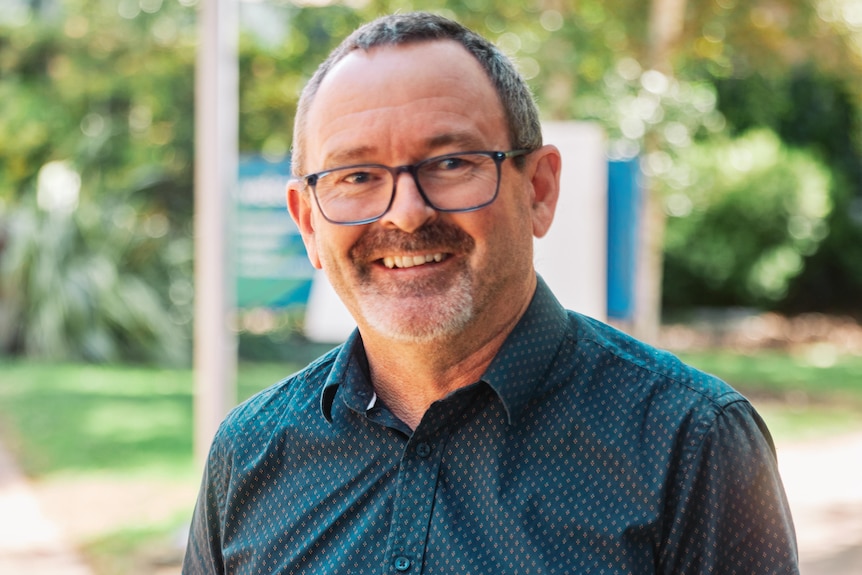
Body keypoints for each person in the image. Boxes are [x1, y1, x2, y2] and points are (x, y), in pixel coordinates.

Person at [184, 12, 799, 574]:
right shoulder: (249, 454)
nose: (405, 215)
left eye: (451, 163)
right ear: (309, 221)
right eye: (357, 176)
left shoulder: (691, 444)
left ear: (539, 188)